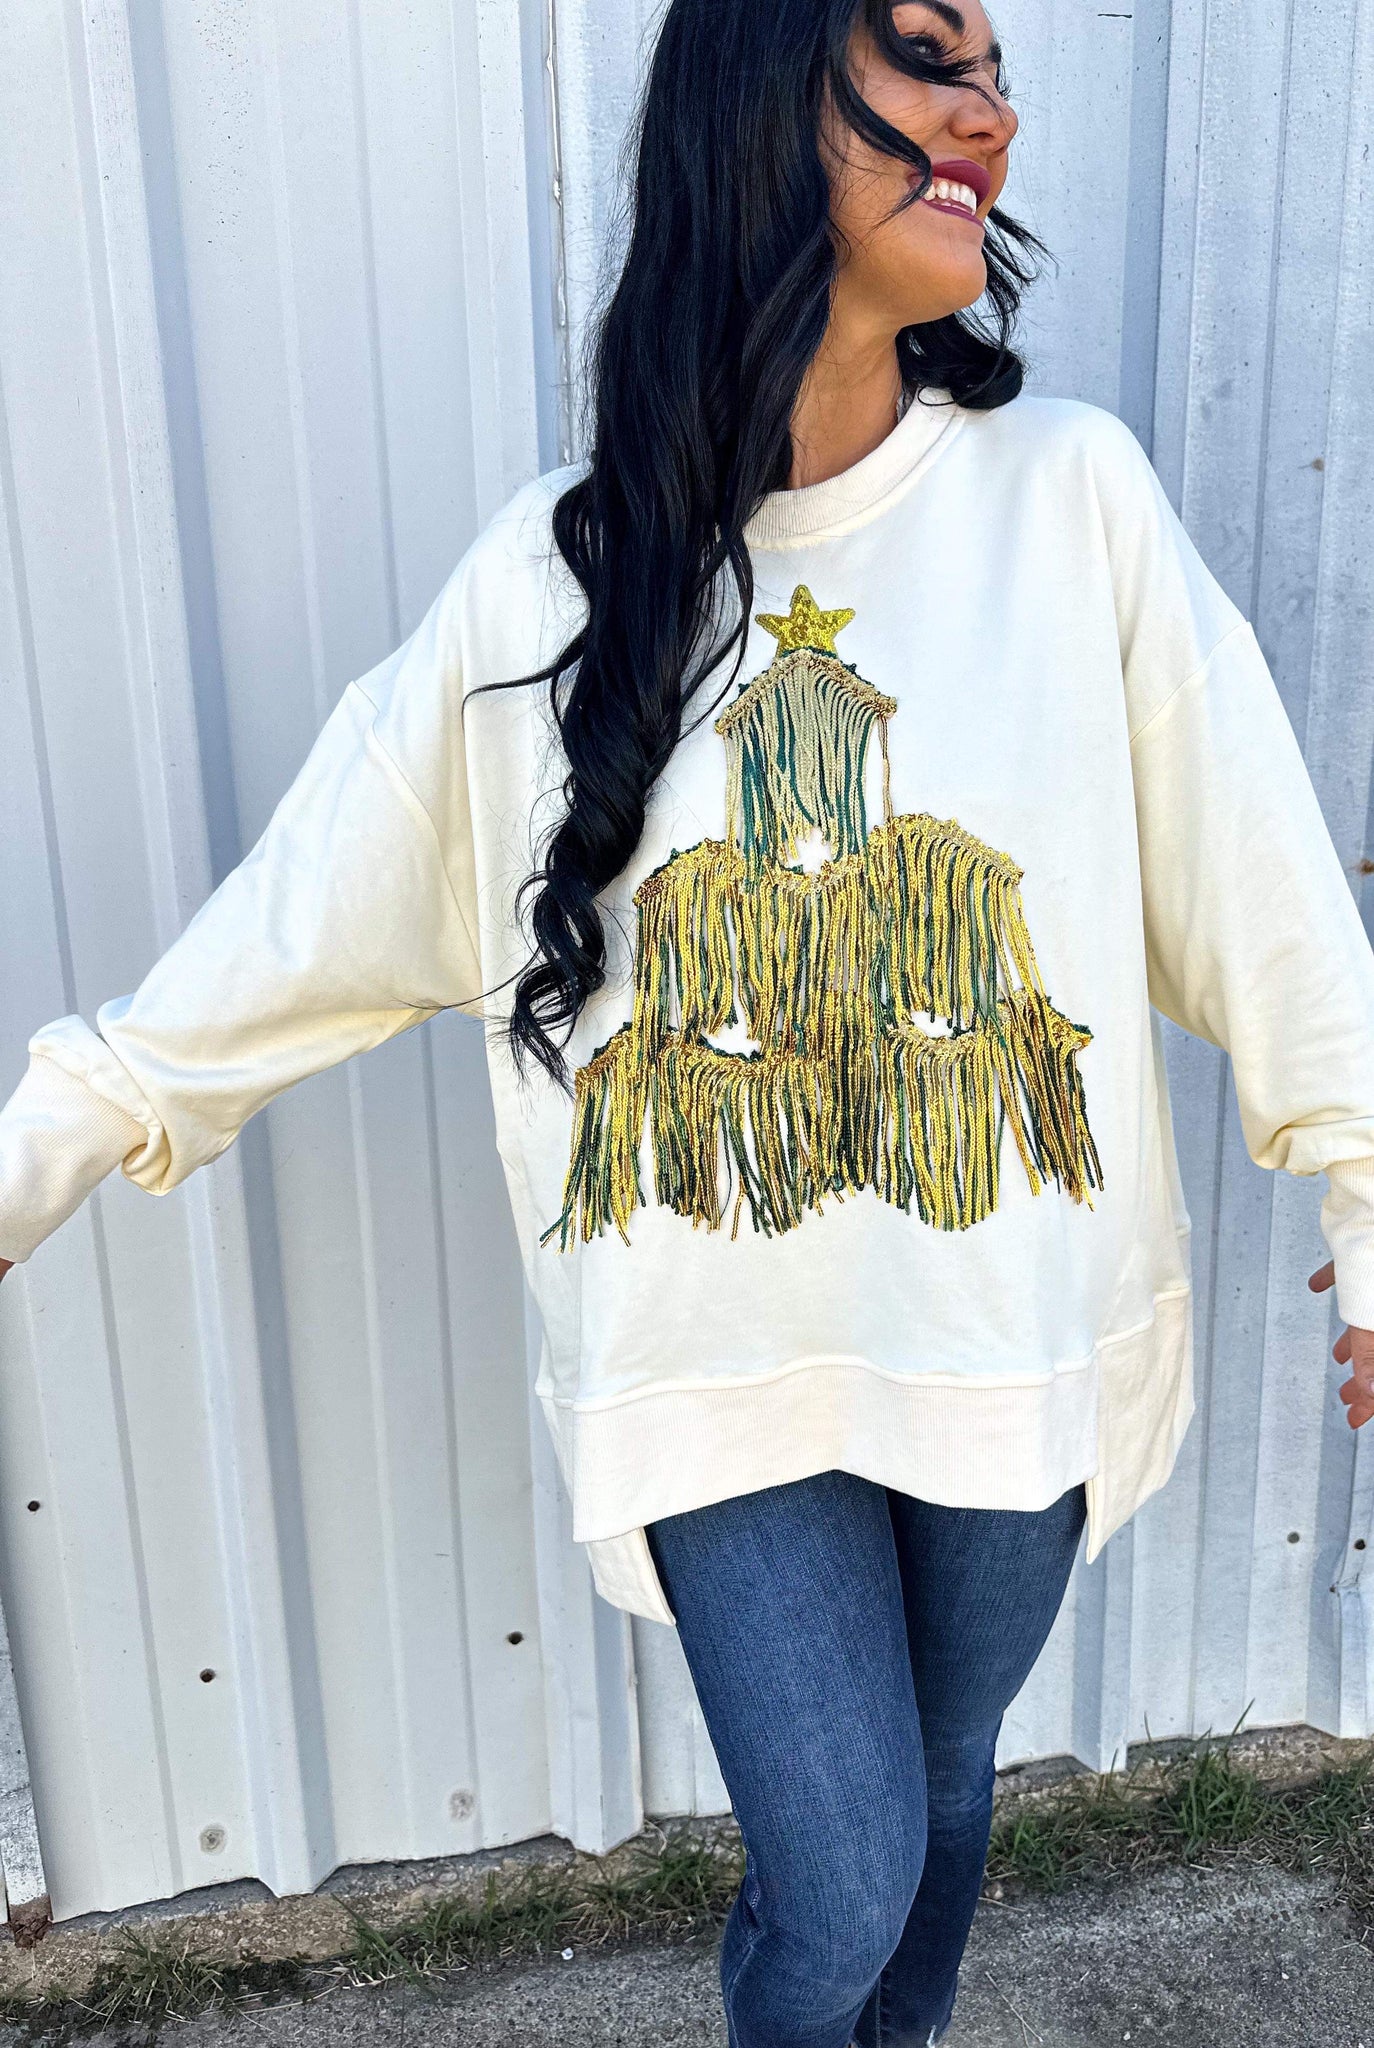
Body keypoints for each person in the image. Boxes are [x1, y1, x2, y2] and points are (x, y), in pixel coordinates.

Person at [2, 2, 1372, 2041]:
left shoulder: (1071, 503)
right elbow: (286, 931)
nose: (991, 112)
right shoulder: (548, 583)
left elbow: (1260, 885)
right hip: (717, 1367)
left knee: (945, 1787)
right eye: (929, 56)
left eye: (998, 71)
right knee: (842, 1874)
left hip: (1006, 1332)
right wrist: (36, 1157)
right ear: (761, 105)